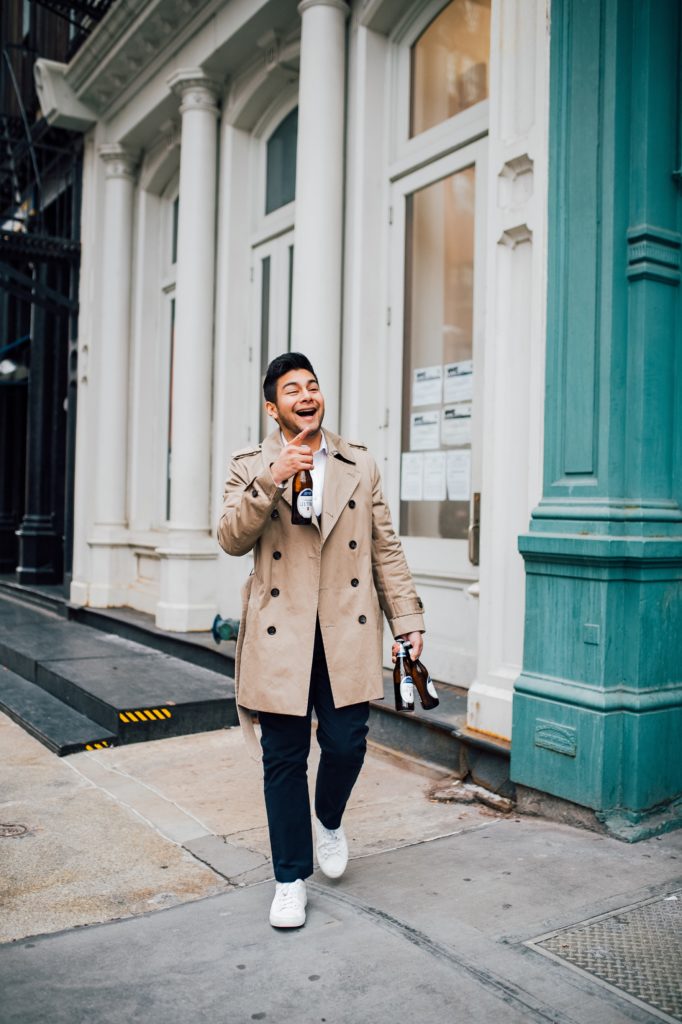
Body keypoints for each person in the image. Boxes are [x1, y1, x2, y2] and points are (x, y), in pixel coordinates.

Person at [217, 352, 425, 929]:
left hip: (344, 628)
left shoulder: (358, 462)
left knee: (346, 744)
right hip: (280, 633)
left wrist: (407, 618)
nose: (306, 396)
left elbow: (385, 547)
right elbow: (231, 537)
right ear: (272, 406)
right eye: (292, 390)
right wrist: (274, 476)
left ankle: (328, 818)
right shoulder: (250, 465)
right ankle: (289, 879)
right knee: (282, 759)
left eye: (312, 386)